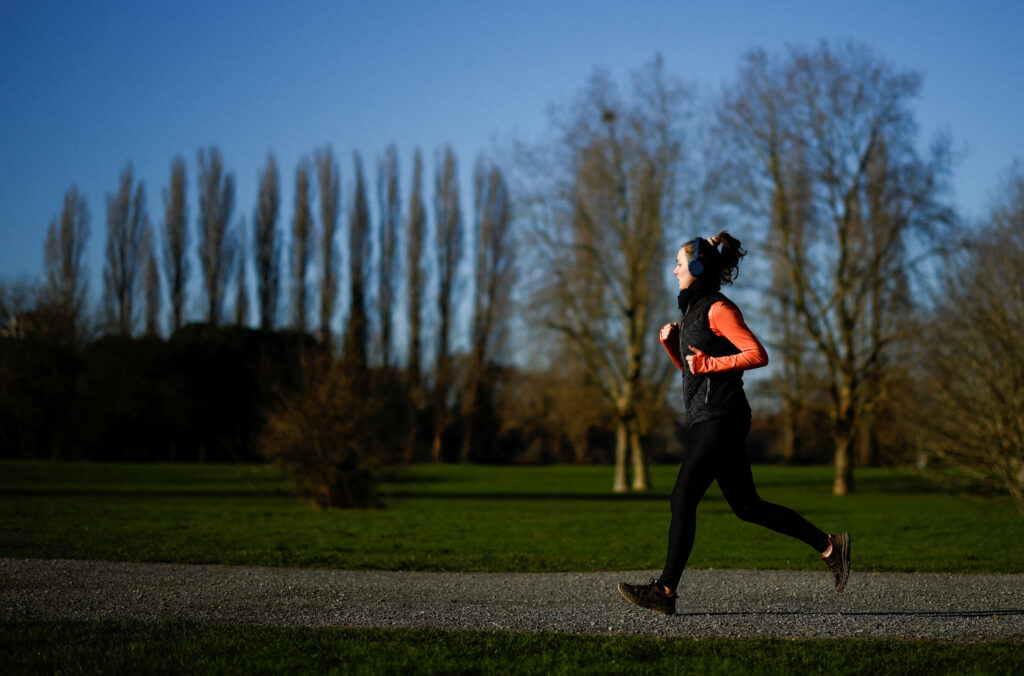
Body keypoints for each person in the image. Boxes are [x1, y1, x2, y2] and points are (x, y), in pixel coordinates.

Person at [617, 233, 850, 616]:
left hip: (722, 418)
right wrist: (673, 348)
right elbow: (697, 376)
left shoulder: (718, 308)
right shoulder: (691, 311)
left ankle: (665, 591)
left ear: (696, 268)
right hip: (713, 415)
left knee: (682, 498)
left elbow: (757, 354)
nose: (674, 269)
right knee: (747, 506)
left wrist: (709, 363)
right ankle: (830, 547)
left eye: (679, 262)